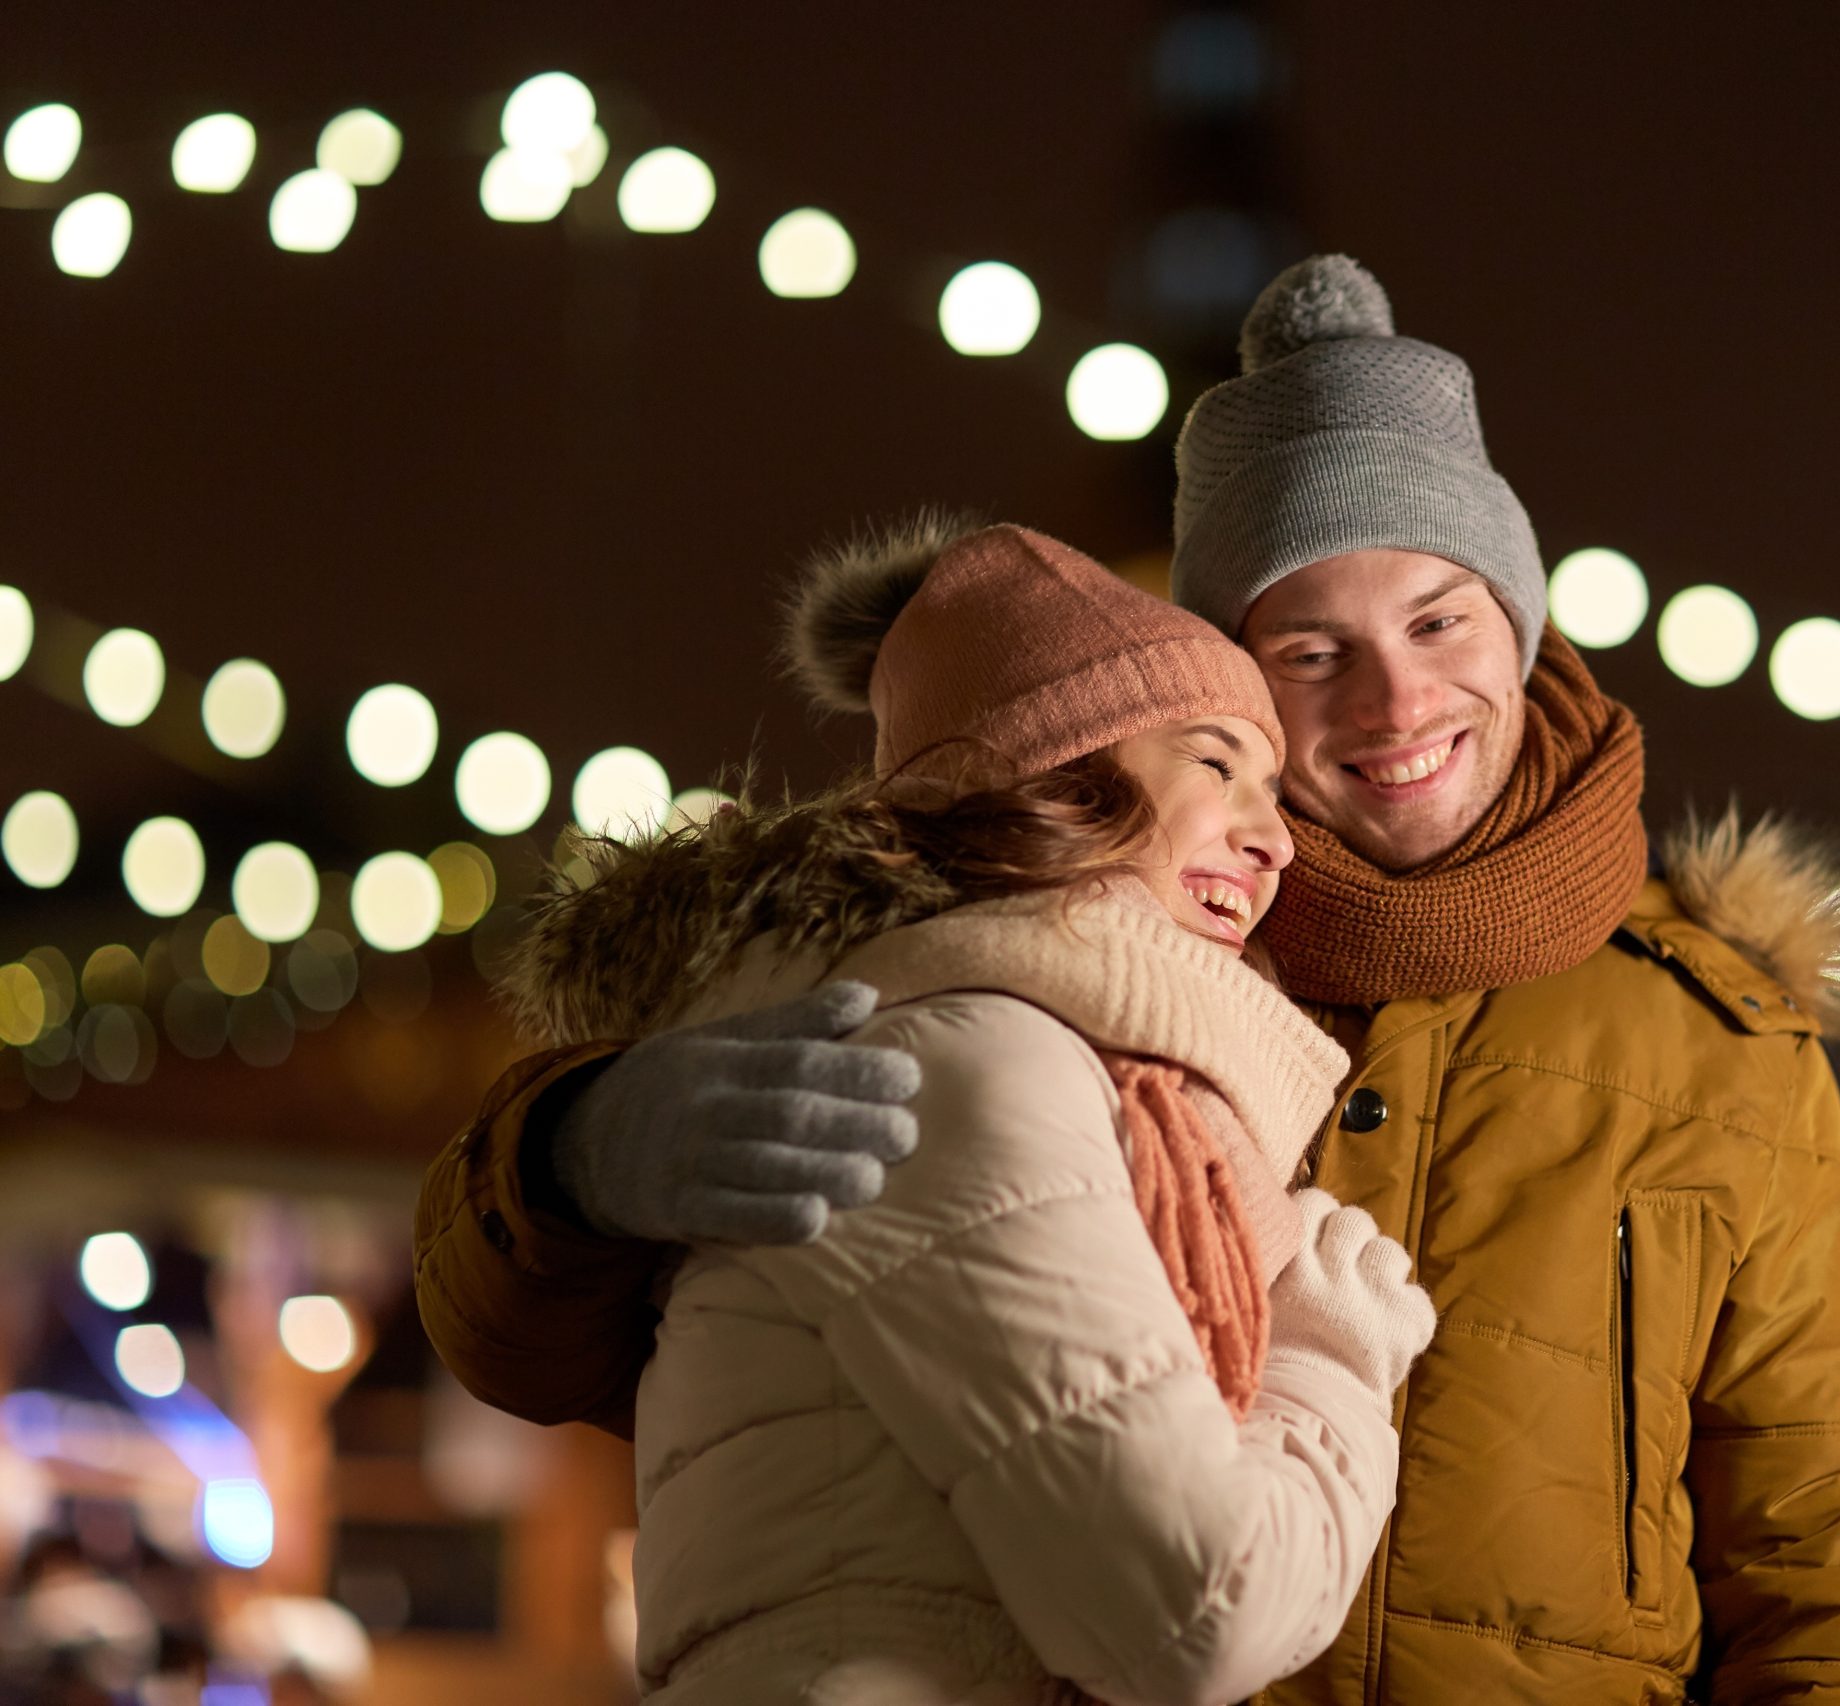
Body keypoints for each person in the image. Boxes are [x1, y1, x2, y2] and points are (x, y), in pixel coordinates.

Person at [415, 256, 1840, 1704]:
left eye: (1439, 617)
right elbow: (575, 1356)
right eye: (1308, 650)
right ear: (1220, 676)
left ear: (1522, 621)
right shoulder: (1070, 953)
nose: (1396, 696)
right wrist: (574, 1154)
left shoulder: (1714, 1037)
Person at [488, 519, 1434, 1704]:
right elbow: (1193, 1614)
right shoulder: (956, 1061)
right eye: (1213, 762)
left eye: (1270, 782)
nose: (1275, 838)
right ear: (1049, 775)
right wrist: (1330, 1353)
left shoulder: (1032, 1048)